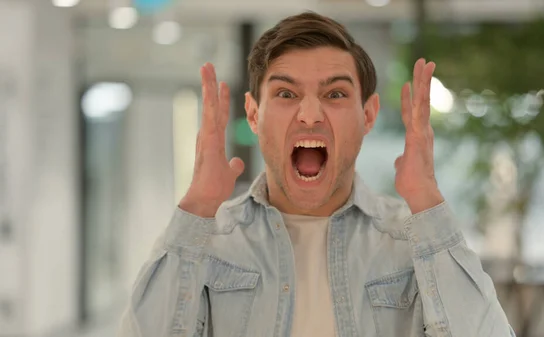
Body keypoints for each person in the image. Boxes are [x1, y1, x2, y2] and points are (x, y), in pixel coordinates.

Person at [118, 12, 515, 337]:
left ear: (369, 115)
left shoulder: (410, 242)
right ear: (254, 115)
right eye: (286, 94)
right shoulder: (211, 242)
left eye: (335, 94)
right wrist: (198, 207)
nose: (309, 114)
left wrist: (427, 199)